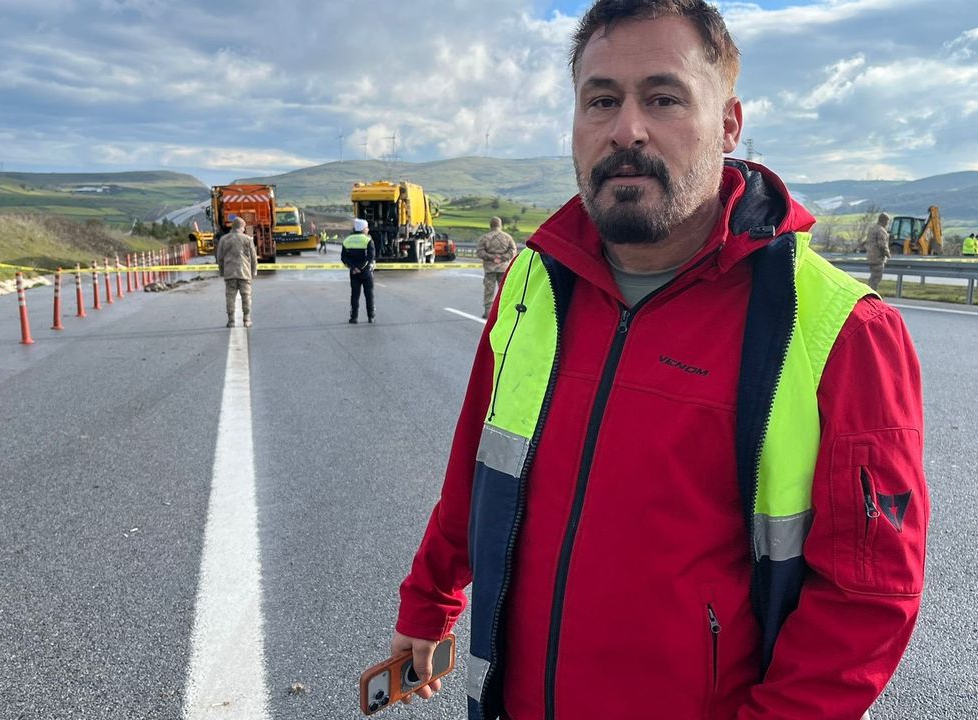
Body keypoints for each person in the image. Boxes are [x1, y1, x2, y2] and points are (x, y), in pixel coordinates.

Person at [389, 3, 929, 719]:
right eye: (601, 100)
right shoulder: (532, 282)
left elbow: (868, 598)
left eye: (663, 98)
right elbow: (479, 466)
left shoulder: (841, 329)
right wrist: (428, 598)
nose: (626, 130)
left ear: (728, 124)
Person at [215, 216, 257, 328]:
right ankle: (247, 320)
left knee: (230, 297)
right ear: (240, 227)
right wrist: (253, 272)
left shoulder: (224, 239)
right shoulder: (247, 239)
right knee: (246, 296)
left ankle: (231, 321)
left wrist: (222, 271)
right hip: (244, 273)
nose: (244, 229)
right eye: (244, 228)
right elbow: (253, 258)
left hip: (230, 273)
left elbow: (220, 257)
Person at [474, 216, 519, 318]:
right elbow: (513, 251)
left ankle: (488, 312)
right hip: (503, 268)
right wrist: (502, 258)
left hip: (490, 269)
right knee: (504, 291)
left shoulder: (485, 238)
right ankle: (503, 313)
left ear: (490, 225)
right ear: (500, 225)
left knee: (489, 291)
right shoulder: (507, 237)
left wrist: (492, 258)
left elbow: (480, 252)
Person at [341, 217, 376, 323]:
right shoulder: (368, 240)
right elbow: (371, 257)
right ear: (362, 229)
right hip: (366, 272)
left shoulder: (347, 241)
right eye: (367, 228)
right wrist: (361, 268)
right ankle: (371, 317)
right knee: (369, 295)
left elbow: (343, 258)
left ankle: (354, 317)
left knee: (355, 295)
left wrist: (353, 268)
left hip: (353, 273)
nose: (368, 230)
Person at [864, 212, 890, 290]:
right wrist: (887, 254)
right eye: (887, 221)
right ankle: (870, 292)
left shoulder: (872, 229)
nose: (887, 223)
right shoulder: (881, 231)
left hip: (870, 256)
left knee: (873, 277)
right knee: (876, 278)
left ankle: (869, 291)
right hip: (878, 258)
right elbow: (882, 245)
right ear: (884, 221)